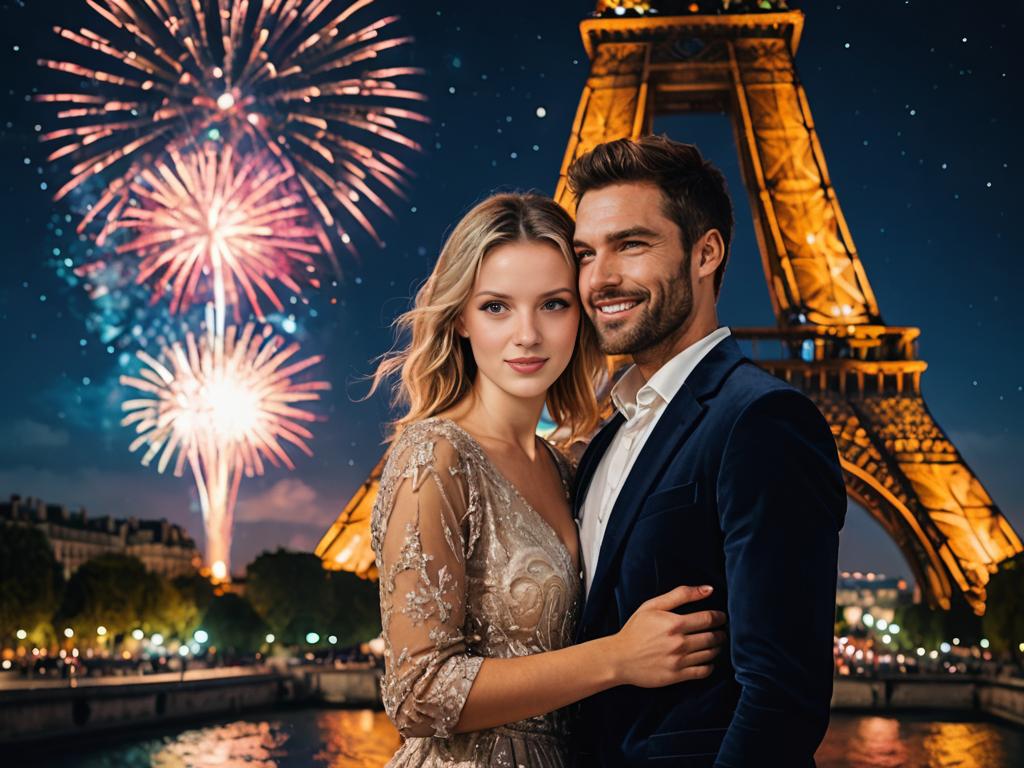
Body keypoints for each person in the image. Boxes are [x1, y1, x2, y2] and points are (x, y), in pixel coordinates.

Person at [368, 192, 728, 766]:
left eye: (554, 304)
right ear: (460, 317)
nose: (528, 334)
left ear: (581, 314)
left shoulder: (567, 468)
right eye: (496, 307)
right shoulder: (432, 458)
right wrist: (617, 658)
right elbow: (417, 694)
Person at [567, 135, 847, 767]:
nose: (600, 277)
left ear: (706, 252)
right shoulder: (610, 434)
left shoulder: (762, 420)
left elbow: (782, 699)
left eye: (631, 244)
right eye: (586, 253)